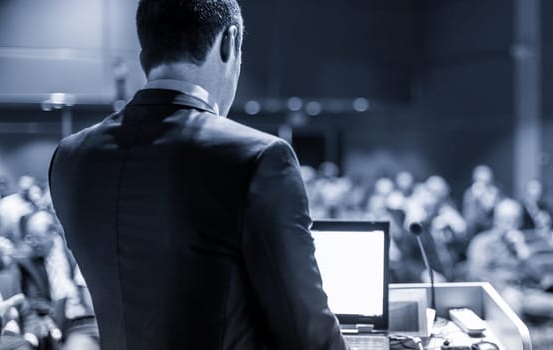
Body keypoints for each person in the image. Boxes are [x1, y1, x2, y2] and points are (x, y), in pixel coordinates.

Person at [48, 1, 346, 349]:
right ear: (229, 42)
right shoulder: (259, 158)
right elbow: (308, 333)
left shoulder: (70, 159)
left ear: (145, 55)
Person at [468, 199, 553, 350]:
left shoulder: (521, 244)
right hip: (500, 298)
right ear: (496, 220)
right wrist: (502, 288)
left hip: (529, 293)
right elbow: (476, 275)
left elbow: (539, 276)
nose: (510, 224)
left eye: (515, 220)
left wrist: (524, 254)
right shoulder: (482, 242)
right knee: (512, 303)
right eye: (506, 219)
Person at [15, 211, 98, 350]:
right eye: (30, 237)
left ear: (53, 233)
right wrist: (52, 313)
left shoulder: (74, 250)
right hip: (64, 322)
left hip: (88, 317)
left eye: (38, 237)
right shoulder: (29, 263)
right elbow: (34, 299)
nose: (33, 243)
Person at [462, 165, 500, 239]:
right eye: (480, 181)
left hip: (492, 236)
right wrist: (475, 202)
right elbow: (468, 223)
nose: (483, 187)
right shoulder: (470, 195)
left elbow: (499, 221)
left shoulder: (496, 194)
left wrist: (493, 207)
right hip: (474, 236)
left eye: (487, 183)